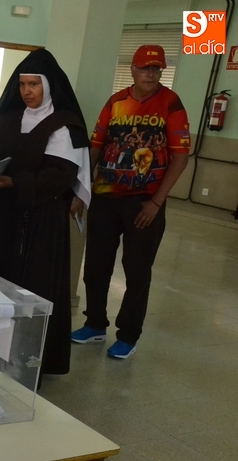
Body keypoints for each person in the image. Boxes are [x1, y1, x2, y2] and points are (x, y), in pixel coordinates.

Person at [0, 49, 91, 376]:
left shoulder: (63, 125)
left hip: (42, 220)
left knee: (35, 284)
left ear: (48, 86)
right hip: (2, 217)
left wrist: (17, 182)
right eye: (22, 84)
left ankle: (29, 361)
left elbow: (61, 175)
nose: (26, 91)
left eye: (34, 84)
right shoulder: (9, 118)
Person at [71, 45, 190, 359]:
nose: (151, 74)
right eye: (145, 68)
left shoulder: (170, 103)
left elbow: (181, 156)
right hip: (105, 197)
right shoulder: (116, 102)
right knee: (96, 267)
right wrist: (82, 191)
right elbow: (95, 148)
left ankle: (128, 335)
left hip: (144, 203)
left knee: (137, 272)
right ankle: (95, 324)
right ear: (132, 70)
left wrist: (156, 202)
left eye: (156, 69)